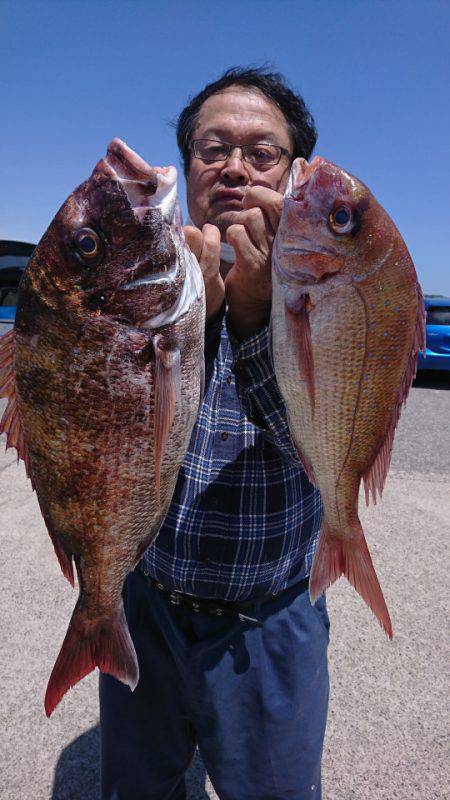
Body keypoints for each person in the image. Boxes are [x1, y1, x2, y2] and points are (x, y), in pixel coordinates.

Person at [100, 67, 329, 800]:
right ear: (188, 163)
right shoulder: (135, 281)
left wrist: (259, 318)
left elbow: (322, 449)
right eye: (212, 147)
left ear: (295, 175)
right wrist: (185, 327)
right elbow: (106, 430)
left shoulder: (327, 287)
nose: (234, 166)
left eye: (261, 153)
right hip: (148, 605)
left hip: (269, 619)